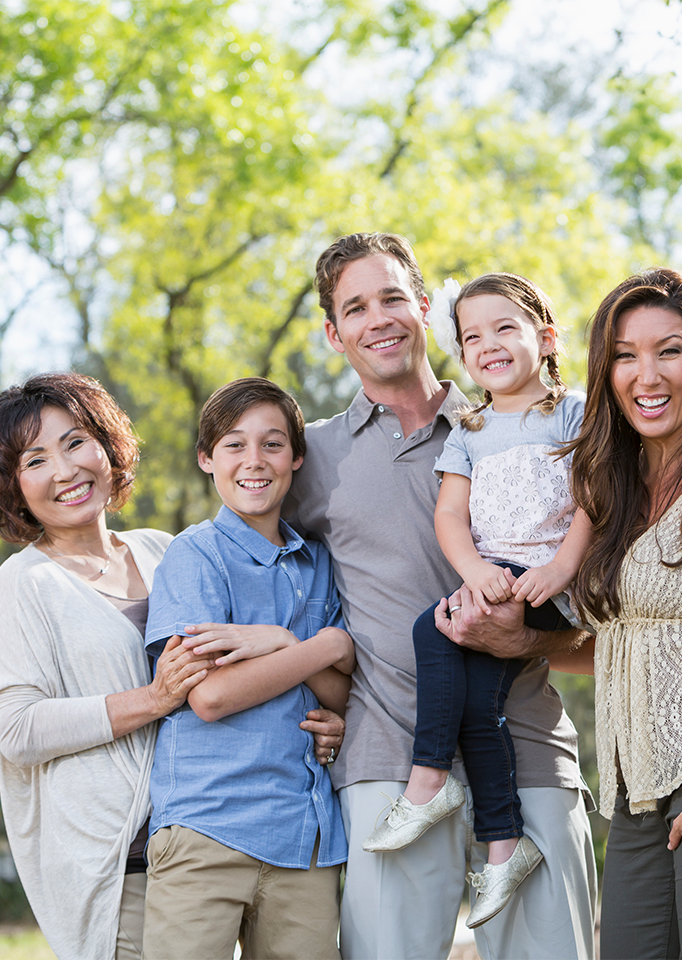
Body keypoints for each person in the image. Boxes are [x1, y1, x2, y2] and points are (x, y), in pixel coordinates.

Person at [284, 233, 597, 960]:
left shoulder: (530, 426)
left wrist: (529, 641)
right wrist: (313, 693)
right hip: (390, 758)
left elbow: (610, 622)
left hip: (525, 743)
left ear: (425, 309)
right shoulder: (313, 457)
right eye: (355, 308)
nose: (379, 318)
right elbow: (270, 580)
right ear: (334, 334)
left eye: (393, 297)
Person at [362, 273, 593, 930]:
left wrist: (561, 568)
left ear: (544, 338)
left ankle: (430, 782)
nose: (487, 345)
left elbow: (595, 501)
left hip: (552, 584)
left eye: (504, 329)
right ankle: (501, 845)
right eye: (471, 337)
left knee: (436, 637)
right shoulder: (468, 427)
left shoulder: (573, 412)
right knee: (473, 698)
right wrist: (471, 571)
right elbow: (450, 517)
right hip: (494, 579)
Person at [0, 372, 213, 960]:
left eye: (75, 442)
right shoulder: (22, 584)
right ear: (15, 487)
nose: (66, 471)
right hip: (124, 869)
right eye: (35, 460)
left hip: (212, 848)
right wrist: (152, 698)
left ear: (107, 447)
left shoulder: (164, 550)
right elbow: (15, 731)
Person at [141, 377, 355, 960]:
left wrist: (284, 646)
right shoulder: (196, 555)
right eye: (233, 445)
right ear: (208, 459)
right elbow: (208, 697)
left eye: (272, 444)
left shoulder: (320, 564)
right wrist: (316, 643)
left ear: (297, 457)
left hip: (305, 838)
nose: (254, 461)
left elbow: (338, 696)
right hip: (208, 827)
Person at [565, 267, 682, 958]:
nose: (645, 374)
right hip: (631, 791)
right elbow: (621, 640)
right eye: (625, 355)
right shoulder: (613, 488)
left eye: (669, 350)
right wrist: (515, 643)